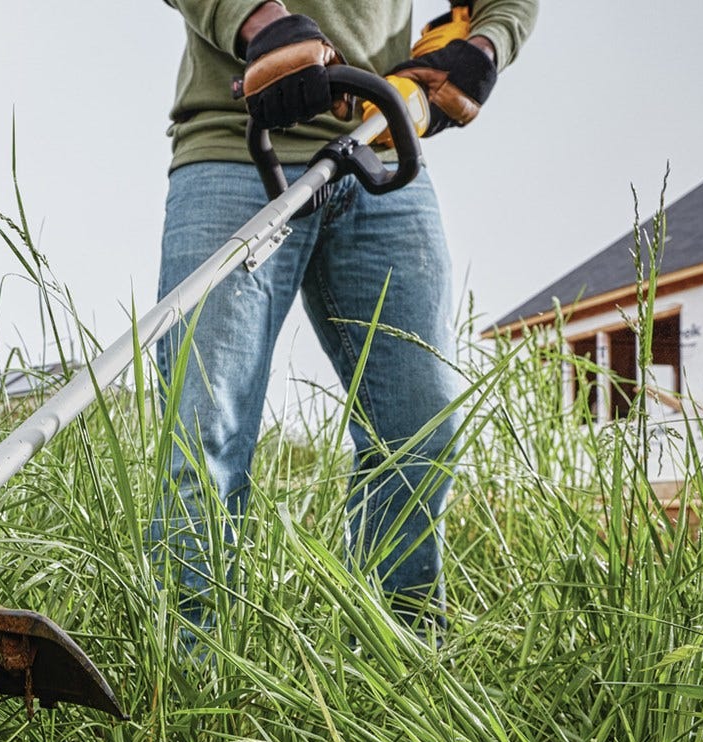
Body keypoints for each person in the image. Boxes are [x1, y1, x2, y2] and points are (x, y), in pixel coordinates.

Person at [155, 0, 538, 630]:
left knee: (421, 427)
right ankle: (185, 682)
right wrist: (261, 23)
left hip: (379, 148)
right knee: (206, 430)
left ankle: (399, 671)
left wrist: (484, 46)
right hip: (233, 145)